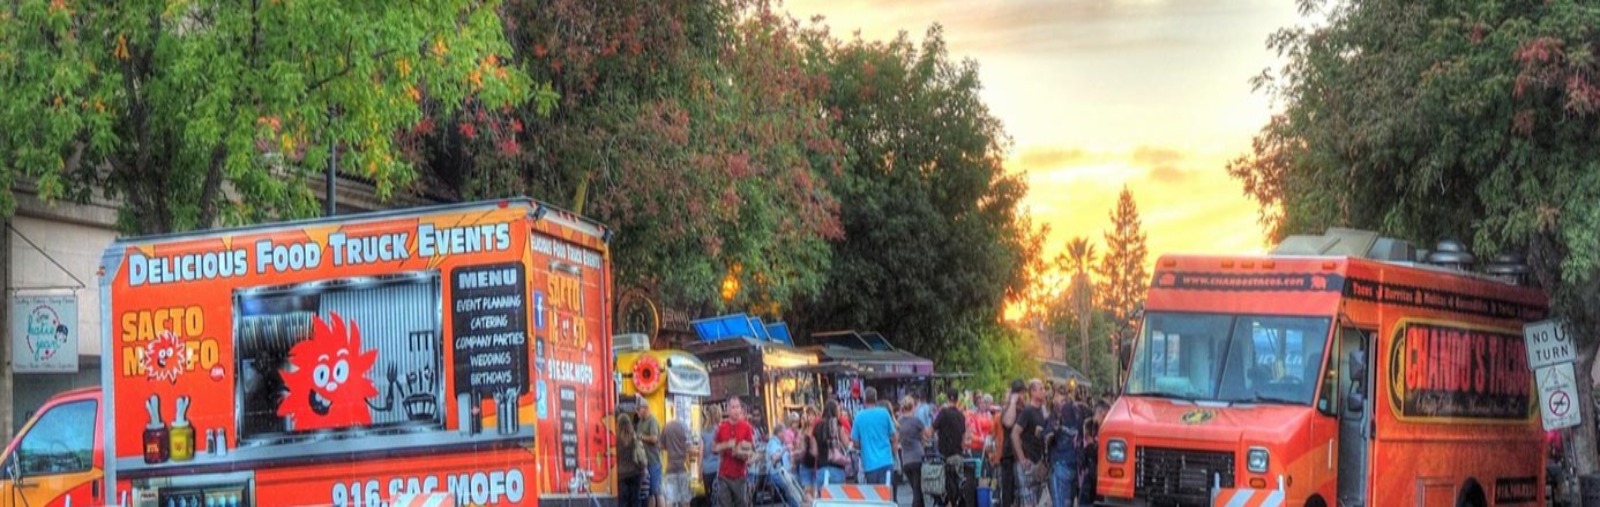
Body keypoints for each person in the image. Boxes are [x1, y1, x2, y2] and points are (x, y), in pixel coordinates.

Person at [1045, 385, 1084, 507]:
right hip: (1074, 466)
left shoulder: (1056, 414)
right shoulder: (1078, 411)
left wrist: (1046, 434)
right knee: (1069, 503)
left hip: (1059, 465)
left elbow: (1048, 438)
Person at [714, 397, 756, 507]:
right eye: (733, 407)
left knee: (741, 503)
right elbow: (714, 448)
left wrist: (742, 453)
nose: (736, 410)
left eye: (738, 407)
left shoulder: (746, 427)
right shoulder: (721, 427)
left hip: (740, 475)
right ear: (727, 410)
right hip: (724, 475)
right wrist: (726, 444)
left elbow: (751, 449)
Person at [852, 387, 898, 486]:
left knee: (875, 496)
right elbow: (894, 437)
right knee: (887, 495)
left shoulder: (859, 417)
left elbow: (855, 443)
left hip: (870, 464)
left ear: (864, 400)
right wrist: (895, 457)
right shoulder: (884, 413)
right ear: (876, 399)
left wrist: (864, 444)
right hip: (886, 461)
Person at [1012, 379, 1047, 507]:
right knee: (1028, 500)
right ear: (1033, 392)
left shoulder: (1042, 412)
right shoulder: (1027, 411)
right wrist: (1021, 458)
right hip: (1028, 461)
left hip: (1039, 462)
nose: (1044, 392)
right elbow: (1015, 433)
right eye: (1041, 389)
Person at [932, 388, 968, 507]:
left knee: (946, 486)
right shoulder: (961, 416)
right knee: (958, 485)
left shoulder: (943, 413)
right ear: (957, 399)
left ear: (948, 398)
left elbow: (931, 430)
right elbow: (963, 438)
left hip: (945, 456)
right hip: (958, 455)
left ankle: (949, 503)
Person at [898, 396, 931, 507]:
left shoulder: (899, 422)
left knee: (914, 487)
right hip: (917, 457)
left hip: (905, 459)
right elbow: (926, 435)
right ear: (913, 407)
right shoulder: (916, 421)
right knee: (917, 489)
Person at [997, 381, 1025, 507]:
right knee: (1008, 493)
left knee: (1023, 494)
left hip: (1023, 457)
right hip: (1009, 456)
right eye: (1020, 393)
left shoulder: (1026, 410)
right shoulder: (1008, 409)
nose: (1022, 396)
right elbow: (1008, 422)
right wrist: (1012, 402)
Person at [1077, 400, 1109, 507]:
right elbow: (1090, 448)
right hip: (1088, 475)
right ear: (1099, 413)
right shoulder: (1089, 426)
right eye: (1104, 416)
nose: (1106, 419)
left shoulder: (1103, 429)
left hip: (1098, 475)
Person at [635, 396, 664, 507]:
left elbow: (654, 438)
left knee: (656, 490)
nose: (637, 412)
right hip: (643, 463)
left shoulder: (652, 421)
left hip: (653, 461)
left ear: (645, 408)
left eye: (639, 409)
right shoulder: (640, 422)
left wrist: (641, 437)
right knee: (649, 493)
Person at [814, 401, 849, 487]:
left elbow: (814, 451)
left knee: (823, 498)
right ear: (835, 411)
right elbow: (847, 445)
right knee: (838, 498)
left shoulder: (817, 427)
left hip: (821, 468)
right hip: (837, 467)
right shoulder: (838, 427)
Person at [661, 415, 694, 507]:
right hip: (683, 467)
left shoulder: (666, 427)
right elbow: (690, 448)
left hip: (670, 467)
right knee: (685, 499)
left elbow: (661, 446)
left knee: (670, 499)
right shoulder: (685, 428)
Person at [619, 413, 647, 507]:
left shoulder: (616, 439)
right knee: (635, 500)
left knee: (623, 501)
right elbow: (641, 455)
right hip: (636, 473)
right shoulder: (635, 437)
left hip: (622, 475)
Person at [701, 405, 724, 507]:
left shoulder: (703, 432)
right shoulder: (721, 430)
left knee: (709, 498)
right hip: (719, 468)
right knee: (720, 498)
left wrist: (699, 470)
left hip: (706, 469)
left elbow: (701, 452)